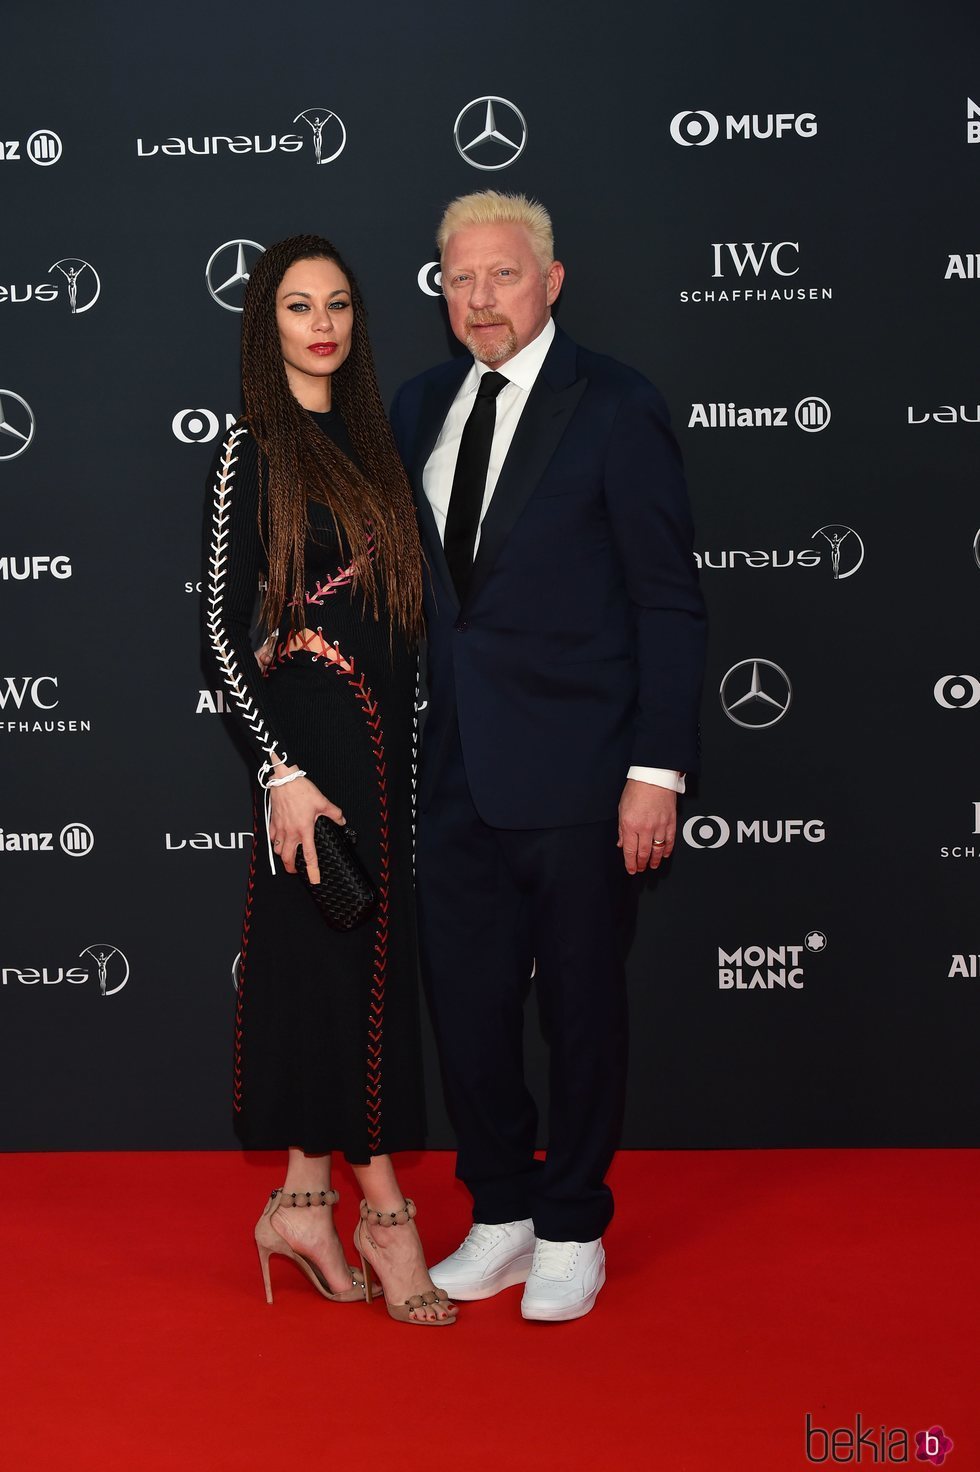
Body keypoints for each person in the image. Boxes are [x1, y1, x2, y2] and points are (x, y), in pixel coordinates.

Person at [390, 193, 706, 1322]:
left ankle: (572, 1220)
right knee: (467, 1009)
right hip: (449, 770)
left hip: (580, 773)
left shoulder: (615, 406)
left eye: (502, 276)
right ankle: (501, 1210)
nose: (479, 299)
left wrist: (655, 771)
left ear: (551, 281)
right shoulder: (418, 403)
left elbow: (668, 601)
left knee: (578, 1006)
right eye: (459, 280)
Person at [203, 234, 455, 1326]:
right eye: (299, 305)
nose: (322, 322)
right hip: (310, 755)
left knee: (354, 974)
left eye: (339, 303)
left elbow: (407, 619)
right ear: (268, 326)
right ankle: (383, 1211)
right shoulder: (248, 450)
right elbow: (218, 634)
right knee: (339, 971)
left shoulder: (372, 443)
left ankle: (303, 1201)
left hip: (388, 754)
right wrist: (279, 772)